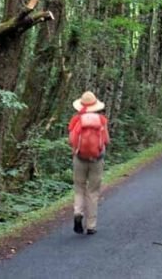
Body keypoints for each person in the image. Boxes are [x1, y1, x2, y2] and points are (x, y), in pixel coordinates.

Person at [68, 91, 110, 235]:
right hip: (97, 160)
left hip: (79, 159)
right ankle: (91, 226)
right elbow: (106, 141)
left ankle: (78, 213)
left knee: (79, 188)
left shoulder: (76, 120)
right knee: (93, 192)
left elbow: (71, 140)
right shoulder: (102, 120)